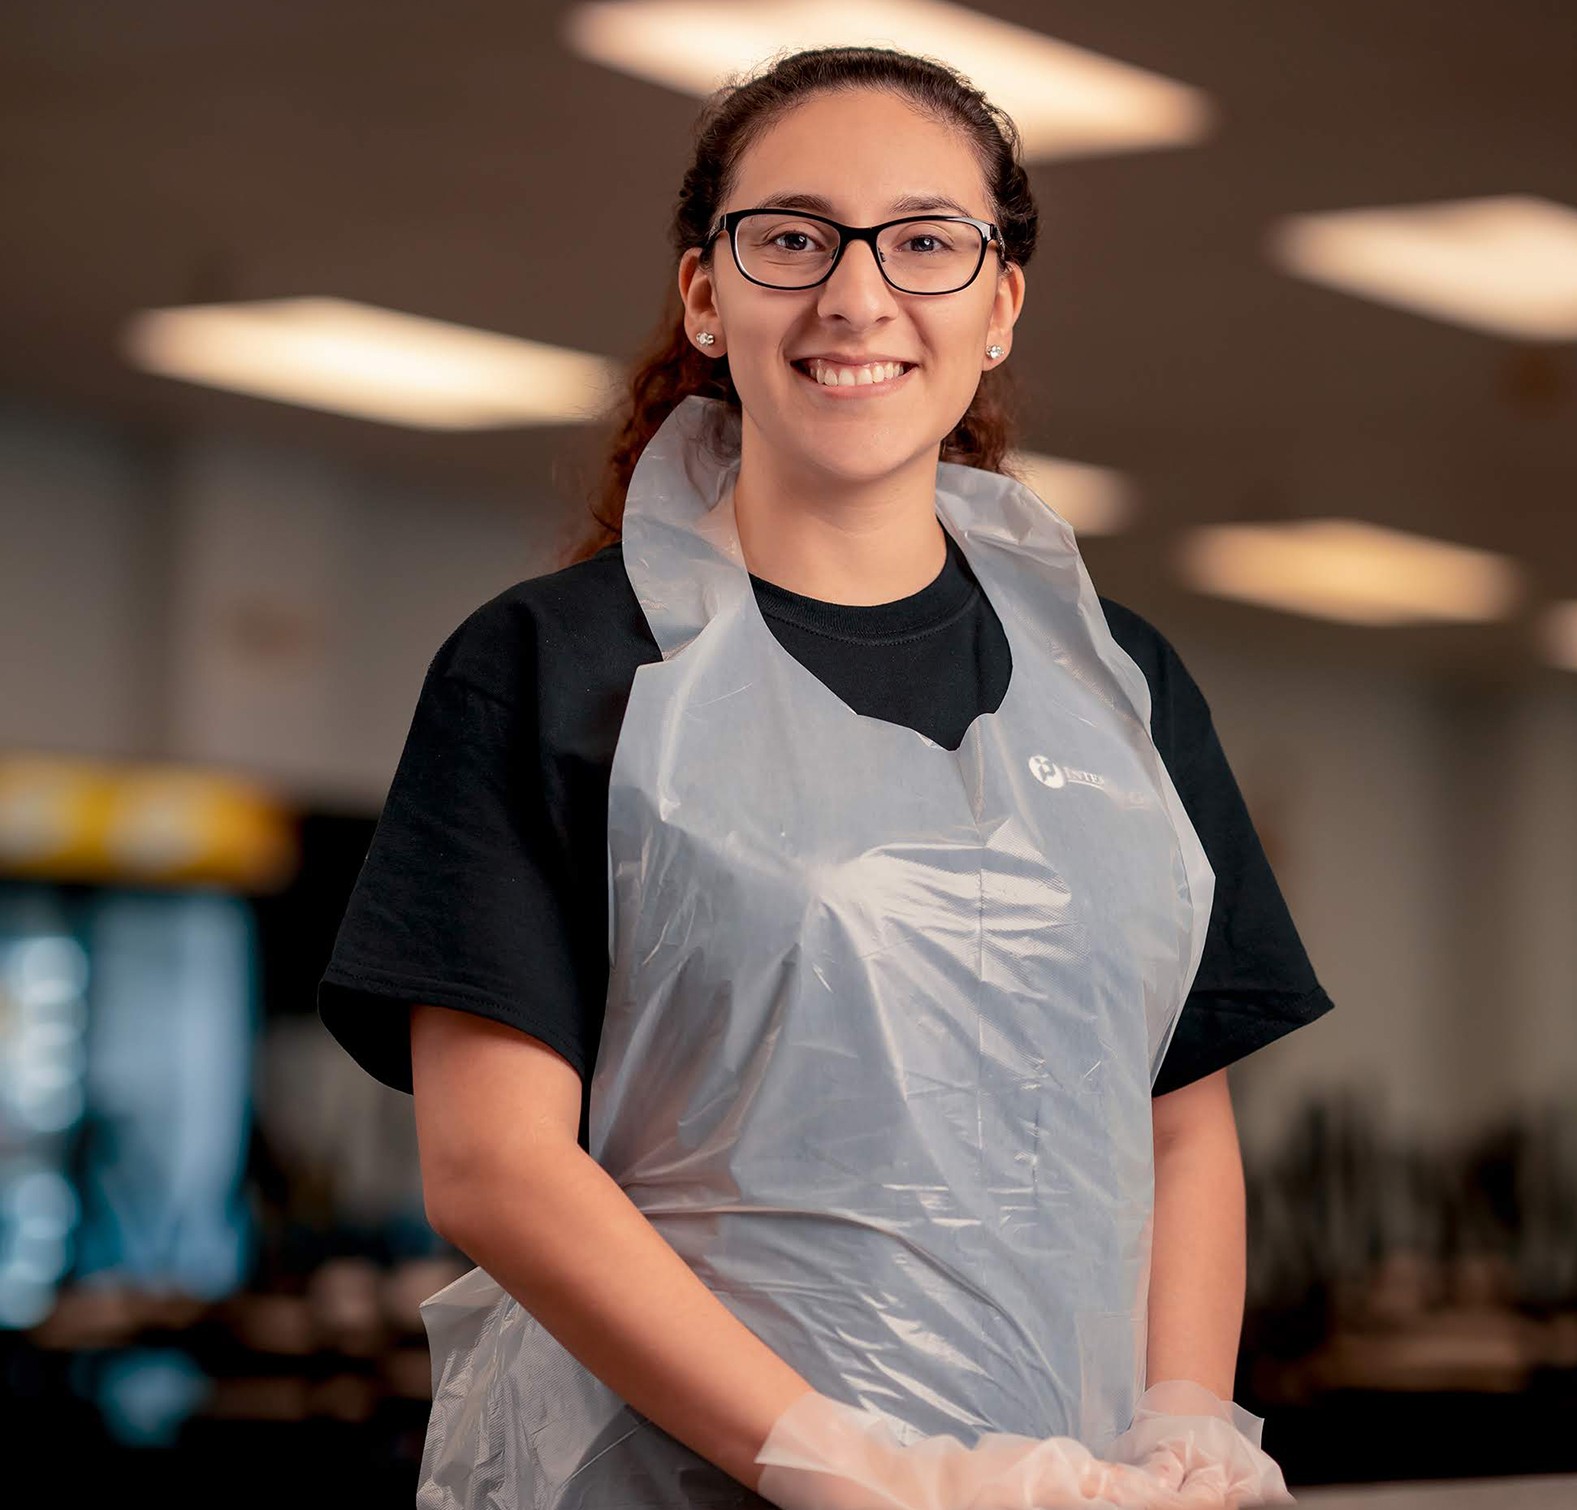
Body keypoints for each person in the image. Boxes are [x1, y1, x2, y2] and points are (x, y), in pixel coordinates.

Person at [319, 45, 1333, 1510]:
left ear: (997, 307)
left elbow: (1177, 1112)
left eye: (925, 242)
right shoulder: (553, 667)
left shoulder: (1120, 686)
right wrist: (844, 1462)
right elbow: (492, 1165)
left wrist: (1182, 1417)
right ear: (706, 296)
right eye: (790, 238)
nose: (855, 294)